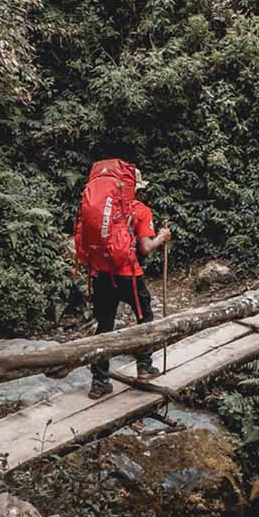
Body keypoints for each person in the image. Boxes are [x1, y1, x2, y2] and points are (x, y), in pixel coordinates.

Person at [88, 167, 172, 400]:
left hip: (102, 275)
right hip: (129, 275)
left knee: (104, 327)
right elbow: (145, 247)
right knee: (144, 318)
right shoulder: (140, 210)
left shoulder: (106, 211)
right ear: (135, 189)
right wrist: (161, 238)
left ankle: (99, 382)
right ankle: (144, 366)